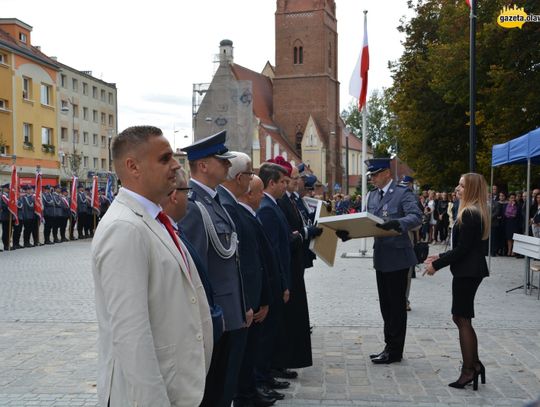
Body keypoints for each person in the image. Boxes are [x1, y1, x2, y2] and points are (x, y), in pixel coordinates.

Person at [91, 125, 212, 406]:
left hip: (176, 385)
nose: (174, 166)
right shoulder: (124, 228)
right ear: (133, 166)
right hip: (150, 394)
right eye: (164, 159)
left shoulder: (153, 218)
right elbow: (131, 334)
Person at [179, 130, 247, 407]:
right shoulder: (193, 206)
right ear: (203, 165)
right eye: (223, 160)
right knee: (214, 393)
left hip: (230, 313)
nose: (229, 166)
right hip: (215, 319)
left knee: (224, 390)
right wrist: (209, 320)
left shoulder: (215, 200)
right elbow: (197, 272)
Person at [336, 158, 422, 364]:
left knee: (397, 306)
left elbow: (417, 216)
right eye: (370, 176)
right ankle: (389, 346)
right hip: (381, 257)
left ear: (386, 174)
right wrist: (350, 234)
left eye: (375, 175)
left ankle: (395, 350)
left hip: (399, 257)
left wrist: (398, 223)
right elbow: (368, 224)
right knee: (386, 305)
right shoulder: (372, 196)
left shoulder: (403, 193)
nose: (372, 179)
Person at [424, 173, 489, 391]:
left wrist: (436, 266)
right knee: (462, 317)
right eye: (458, 184)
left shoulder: (470, 213)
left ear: (471, 189)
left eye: (462, 185)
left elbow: (463, 249)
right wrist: (439, 257)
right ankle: (475, 364)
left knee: (461, 318)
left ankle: (469, 370)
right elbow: (461, 247)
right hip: (468, 270)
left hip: (468, 271)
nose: (457, 188)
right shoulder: (471, 210)